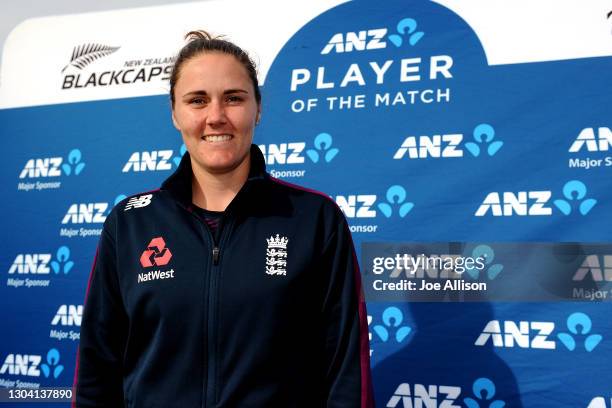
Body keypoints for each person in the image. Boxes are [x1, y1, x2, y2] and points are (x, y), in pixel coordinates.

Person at [74, 30, 374, 408]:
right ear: (175, 114)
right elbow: (97, 368)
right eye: (197, 100)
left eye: (233, 98)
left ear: (258, 108)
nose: (216, 117)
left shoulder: (315, 218)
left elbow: (347, 370)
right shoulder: (130, 224)